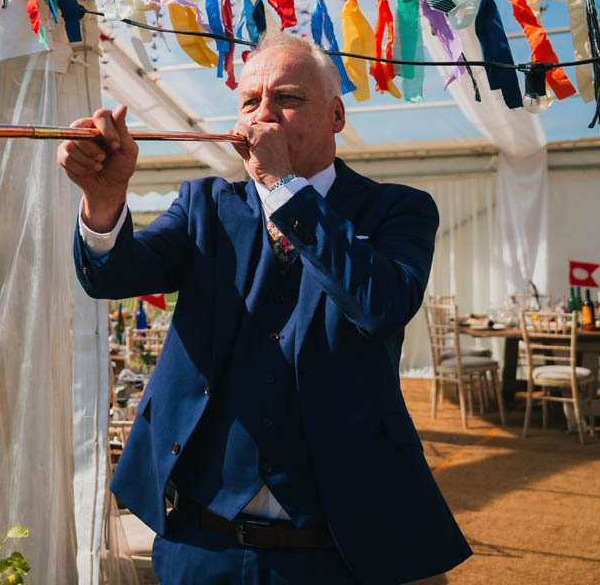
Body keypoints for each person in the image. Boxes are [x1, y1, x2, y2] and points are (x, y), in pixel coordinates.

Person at [59, 34, 470, 584]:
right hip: (201, 540)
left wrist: (283, 184)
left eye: (288, 99)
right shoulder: (205, 205)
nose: (264, 116)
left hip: (333, 547)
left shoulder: (397, 210)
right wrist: (104, 199)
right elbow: (114, 274)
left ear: (337, 114)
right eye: (250, 102)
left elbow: (380, 306)